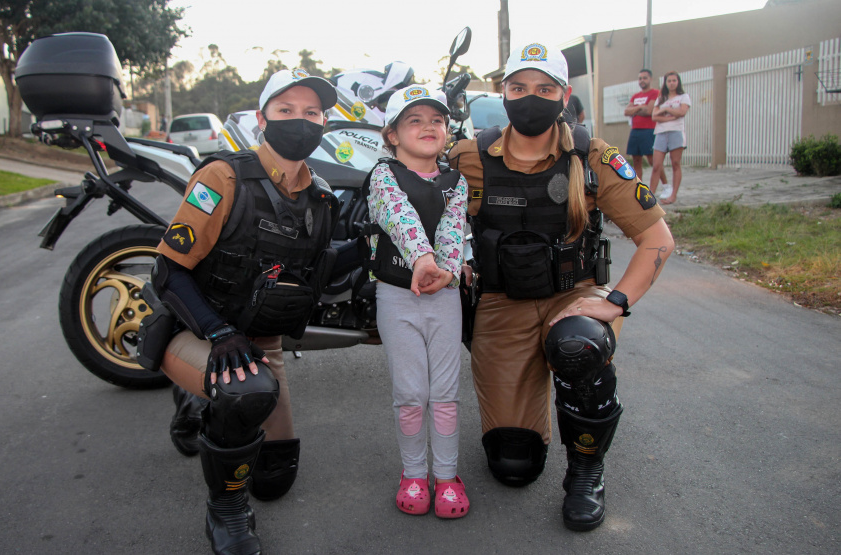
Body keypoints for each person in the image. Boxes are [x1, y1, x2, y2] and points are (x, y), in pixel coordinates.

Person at [447, 41, 675, 531]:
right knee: (514, 466)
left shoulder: (593, 156)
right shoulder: (469, 156)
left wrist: (616, 301)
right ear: (503, 93)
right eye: (519, 87)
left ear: (564, 95)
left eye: (544, 88)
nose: (531, 97)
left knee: (577, 348)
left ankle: (586, 470)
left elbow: (657, 238)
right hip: (502, 303)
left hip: (573, 297)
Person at [151, 68, 339, 555]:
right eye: (286, 111)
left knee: (273, 478)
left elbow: (321, 271)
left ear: (324, 123)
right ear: (262, 118)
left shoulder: (319, 198)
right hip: (196, 331)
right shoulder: (222, 176)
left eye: (312, 113)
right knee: (245, 393)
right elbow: (167, 273)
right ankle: (226, 513)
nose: (300, 122)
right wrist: (217, 333)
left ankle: (201, 402)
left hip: (260, 339)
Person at [365, 85, 470, 518]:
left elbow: (453, 227)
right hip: (397, 296)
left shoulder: (455, 181)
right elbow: (398, 214)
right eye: (415, 120)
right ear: (391, 134)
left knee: (445, 393)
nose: (429, 127)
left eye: (437, 121)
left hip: (443, 297)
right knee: (411, 393)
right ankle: (413, 472)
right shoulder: (383, 175)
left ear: (447, 131)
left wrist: (444, 268)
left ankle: (446, 477)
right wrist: (422, 260)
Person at [650, 71, 691, 204]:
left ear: (678, 82)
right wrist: (668, 113)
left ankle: (673, 195)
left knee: (675, 163)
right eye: (669, 81)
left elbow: (682, 112)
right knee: (656, 165)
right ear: (665, 83)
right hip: (661, 132)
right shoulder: (661, 98)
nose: (672, 83)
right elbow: (654, 116)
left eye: (674, 80)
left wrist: (666, 110)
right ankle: (650, 196)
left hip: (676, 132)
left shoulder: (684, 97)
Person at [624, 69, 668, 186]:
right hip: (635, 130)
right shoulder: (635, 96)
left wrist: (636, 109)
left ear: (650, 79)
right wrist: (640, 107)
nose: (642, 81)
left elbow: (649, 110)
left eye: (644, 78)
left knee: (652, 160)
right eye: (640, 78)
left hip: (648, 130)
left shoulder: (655, 93)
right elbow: (627, 111)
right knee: (636, 161)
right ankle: (639, 187)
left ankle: (665, 185)